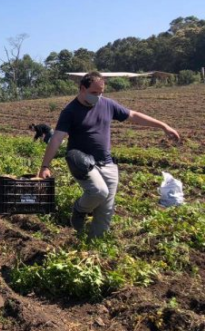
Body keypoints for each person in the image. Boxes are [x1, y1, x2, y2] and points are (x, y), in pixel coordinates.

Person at [38, 71, 180, 239]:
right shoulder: (70, 111)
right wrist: (45, 166)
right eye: (93, 93)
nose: (98, 96)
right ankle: (79, 209)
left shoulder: (107, 104)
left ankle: (93, 245)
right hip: (82, 162)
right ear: (82, 89)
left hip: (107, 163)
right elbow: (56, 139)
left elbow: (133, 115)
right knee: (98, 191)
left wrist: (163, 125)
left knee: (105, 212)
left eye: (101, 92)